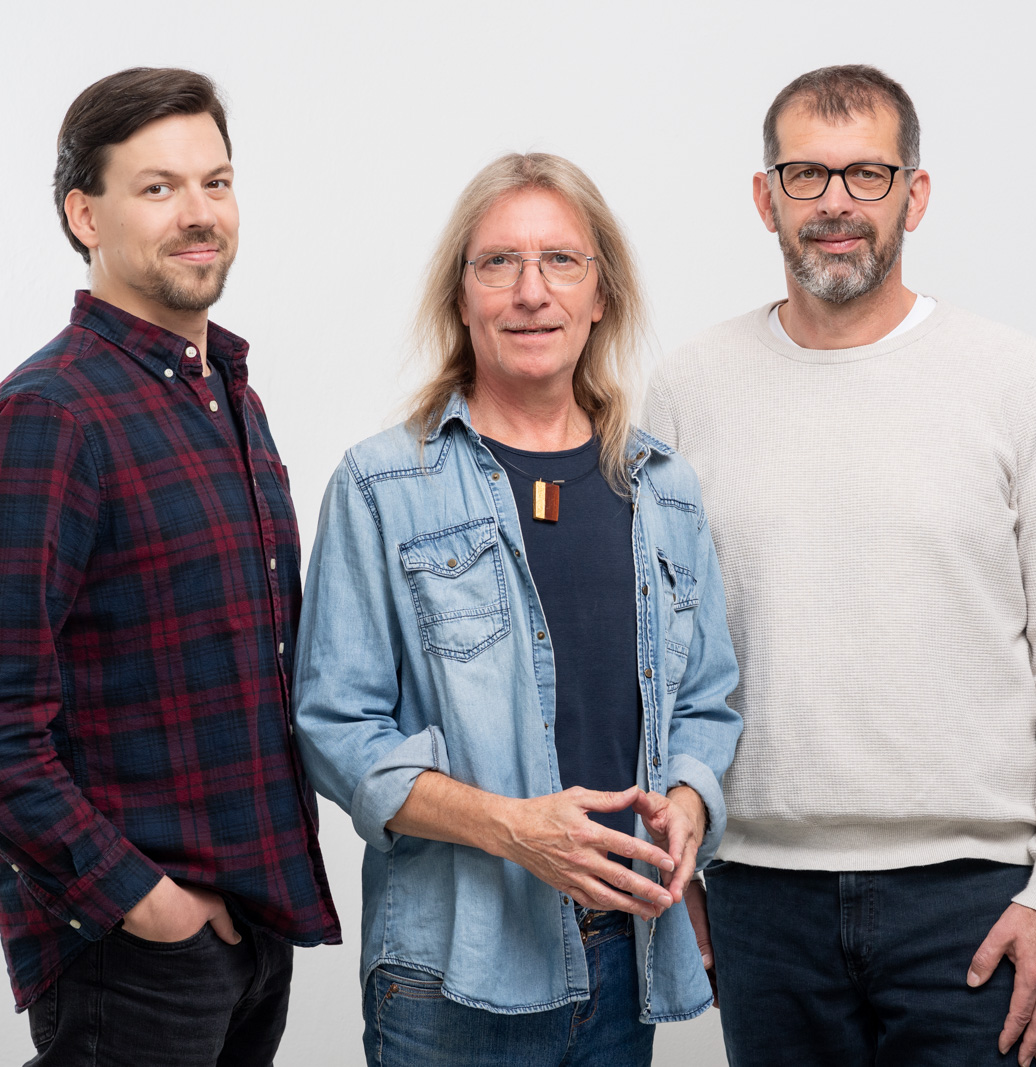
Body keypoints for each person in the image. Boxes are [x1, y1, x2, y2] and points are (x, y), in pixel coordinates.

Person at [644, 64, 1036, 1067]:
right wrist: (674, 860)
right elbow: (659, 655)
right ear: (764, 197)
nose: (835, 203)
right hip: (759, 891)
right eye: (806, 175)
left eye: (866, 173)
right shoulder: (689, 387)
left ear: (915, 192)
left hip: (974, 896)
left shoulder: (1014, 380)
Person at [0, 67, 339, 1067]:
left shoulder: (227, 395)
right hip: (135, 958)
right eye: (158, 188)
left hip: (252, 931)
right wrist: (146, 904)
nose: (199, 214)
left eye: (216, 182)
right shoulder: (52, 417)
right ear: (85, 215)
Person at [292, 152, 742, 1067]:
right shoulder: (382, 486)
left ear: (601, 294)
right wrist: (513, 828)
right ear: (461, 296)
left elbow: (707, 698)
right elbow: (337, 728)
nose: (531, 292)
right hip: (450, 977)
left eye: (561, 261)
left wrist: (691, 798)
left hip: (624, 958)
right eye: (498, 262)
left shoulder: (664, 489)